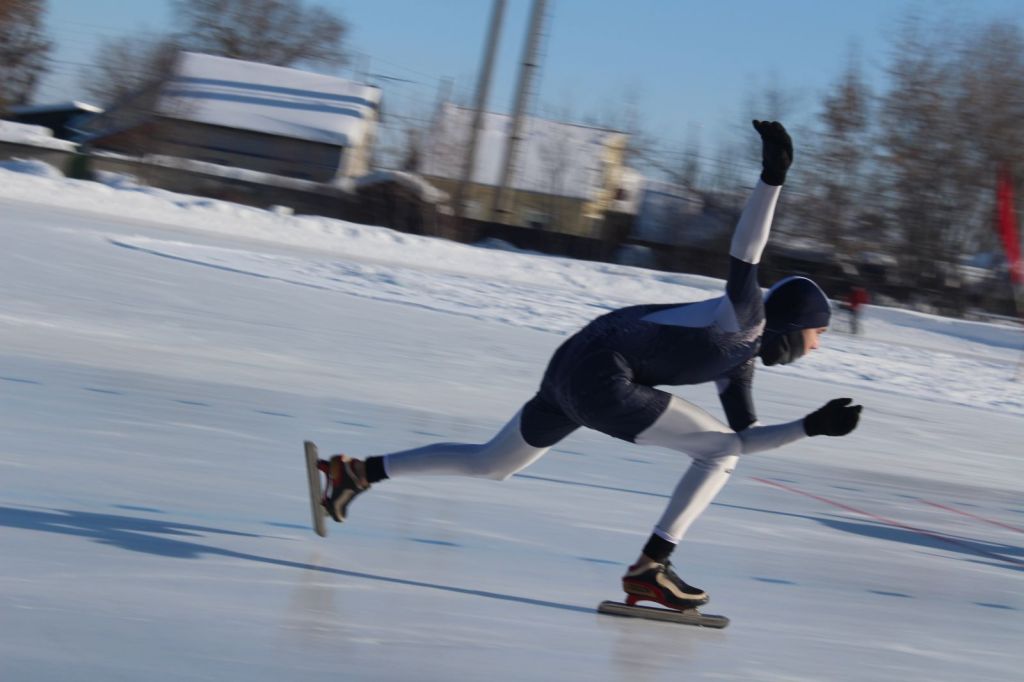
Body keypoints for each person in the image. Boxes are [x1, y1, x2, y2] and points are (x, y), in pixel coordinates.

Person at [318, 120, 863, 612]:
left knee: (494, 462)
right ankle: (652, 568)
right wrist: (772, 178)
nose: (816, 347)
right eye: (819, 333)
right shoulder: (744, 319)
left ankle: (358, 472)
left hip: (572, 363)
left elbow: (745, 437)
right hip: (603, 371)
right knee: (717, 451)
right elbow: (747, 253)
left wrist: (809, 427)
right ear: (793, 324)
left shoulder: (739, 359)